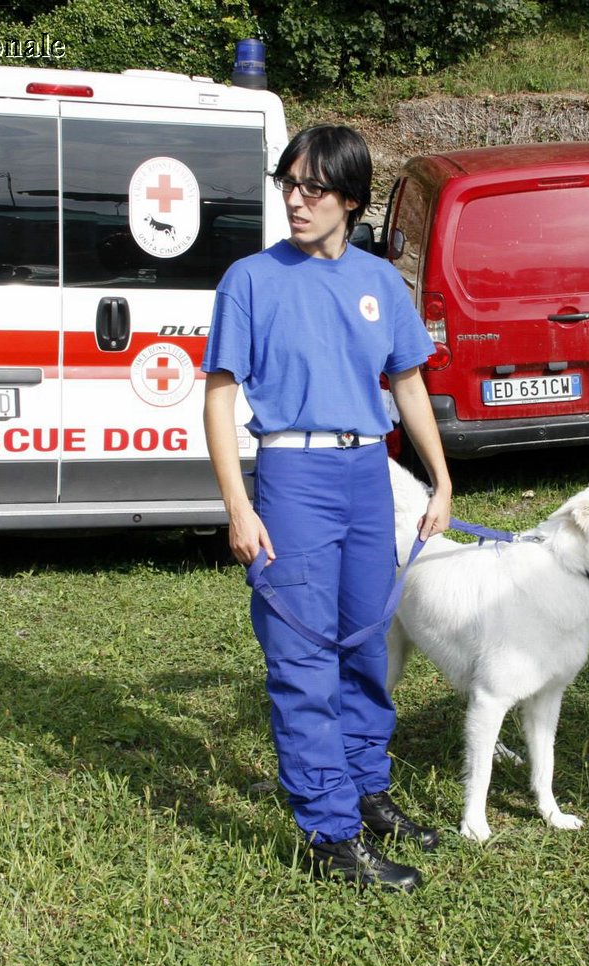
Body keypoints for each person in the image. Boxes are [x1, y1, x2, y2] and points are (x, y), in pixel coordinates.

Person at [201, 125, 454, 893]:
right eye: (288, 183)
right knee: (303, 656)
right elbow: (219, 398)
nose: (296, 199)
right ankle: (331, 832)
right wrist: (239, 507)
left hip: (366, 473)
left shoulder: (376, 279)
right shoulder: (250, 279)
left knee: (365, 643)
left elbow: (406, 383)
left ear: (350, 198)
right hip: (294, 474)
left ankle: (367, 792)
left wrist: (441, 480)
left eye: (313, 188)